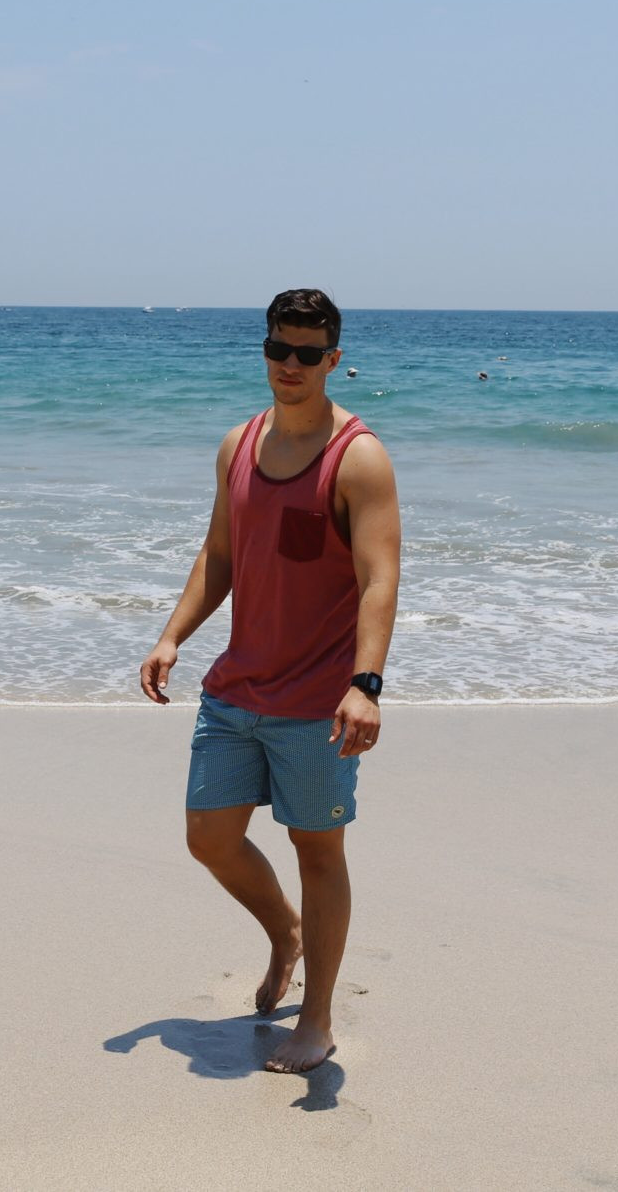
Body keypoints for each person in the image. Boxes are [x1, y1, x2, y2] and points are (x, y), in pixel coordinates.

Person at [138, 288, 401, 1075]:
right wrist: (172, 634)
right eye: (279, 349)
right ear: (264, 350)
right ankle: (284, 932)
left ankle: (316, 1018)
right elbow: (219, 554)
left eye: (308, 353)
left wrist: (367, 684)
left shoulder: (358, 456)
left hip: (317, 704)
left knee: (317, 849)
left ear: (333, 358)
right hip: (235, 689)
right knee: (207, 836)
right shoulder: (237, 444)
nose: (291, 365)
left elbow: (381, 576)